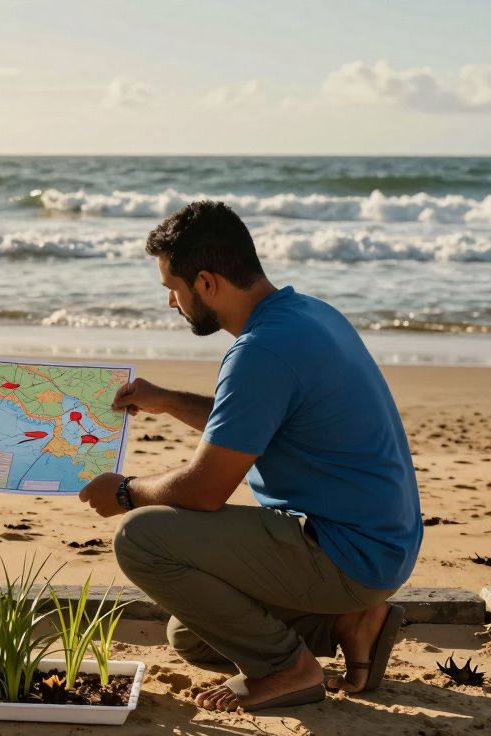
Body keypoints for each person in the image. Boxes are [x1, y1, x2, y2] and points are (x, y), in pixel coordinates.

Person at [77, 200, 421, 712]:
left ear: (208, 282)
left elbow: (204, 491)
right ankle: (347, 623)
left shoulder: (260, 351)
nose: (172, 302)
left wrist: (125, 491)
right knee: (191, 636)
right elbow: (262, 419)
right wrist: (168, 401)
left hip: (348, 553)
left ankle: (289, 670)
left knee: (141, 538)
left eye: (174, 288)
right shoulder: (306, 314)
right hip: (379, 545)